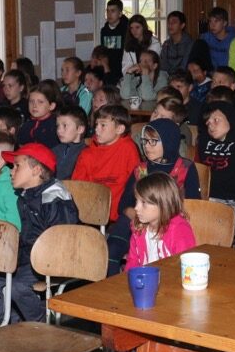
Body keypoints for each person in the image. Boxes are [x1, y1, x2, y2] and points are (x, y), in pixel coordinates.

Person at [0, 143, 79, 323]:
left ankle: (40, 323)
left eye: (17, 166)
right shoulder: (26, 196)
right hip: (29, 255)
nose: (11, 172)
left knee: (17, 287)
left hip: (51, 260)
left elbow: (62, 242)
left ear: (36, 170)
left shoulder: (55, 199)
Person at [108, 118, 201, 273]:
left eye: (153, 141)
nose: (146, 146)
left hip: (170, 222)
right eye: (145, 141)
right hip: (137, 219)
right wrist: (140, 216)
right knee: (112, 249)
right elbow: (123, 205)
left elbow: (194, 205)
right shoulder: (140, 169)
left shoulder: (185, 167)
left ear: (168, 142)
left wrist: (157, 217)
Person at [72, 103, 141, 224]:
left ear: (119, 129)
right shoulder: (87, 154)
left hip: (120, 214)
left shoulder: (128, 149)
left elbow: (137, 183)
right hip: (92, 214)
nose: (97, 129)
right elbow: (78, 188)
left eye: (103, 125)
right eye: (96, 124)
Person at [197, 100, 235, 225]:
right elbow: (198, 173)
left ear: (229, 118)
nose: (211, 126)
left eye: (216, 120)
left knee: (208, 221)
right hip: (205, 200)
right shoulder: (203, 141)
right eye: (208, 123)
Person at [125, 173, 197, 270]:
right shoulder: (138, 228)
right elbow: (132, 264)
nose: (136, 208)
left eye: (143, 203)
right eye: (136, 201)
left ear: (162, 204)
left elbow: (186, 268)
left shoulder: (179, 231)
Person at [17, 80, 60, 149]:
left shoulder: (55, 126)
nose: (34, 106)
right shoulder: (26, 125)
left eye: (40, 102)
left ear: (51, 106)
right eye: (31, 101)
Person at [53, 105, 88, 180]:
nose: (59, 130)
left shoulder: (85, 153)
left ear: (80, 129)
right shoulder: (55, 150)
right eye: (58, 126)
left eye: (65, 126)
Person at [159, 10, 194, 76]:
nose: (170, 25)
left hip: (184, 77)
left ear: (182, 25)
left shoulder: (190, 43)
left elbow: (184, 66)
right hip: (167, 77)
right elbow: (163, 66)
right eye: (169, 22)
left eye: (174, 22)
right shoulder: (166, 44)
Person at [99, 0, 129, 71]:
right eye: (107, 11)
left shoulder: (127, 30)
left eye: (113, 11)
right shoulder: (104, 31)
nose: (109, 14)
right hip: (108, 69)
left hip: (124, 69)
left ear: (120, 14)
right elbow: (104, 51)